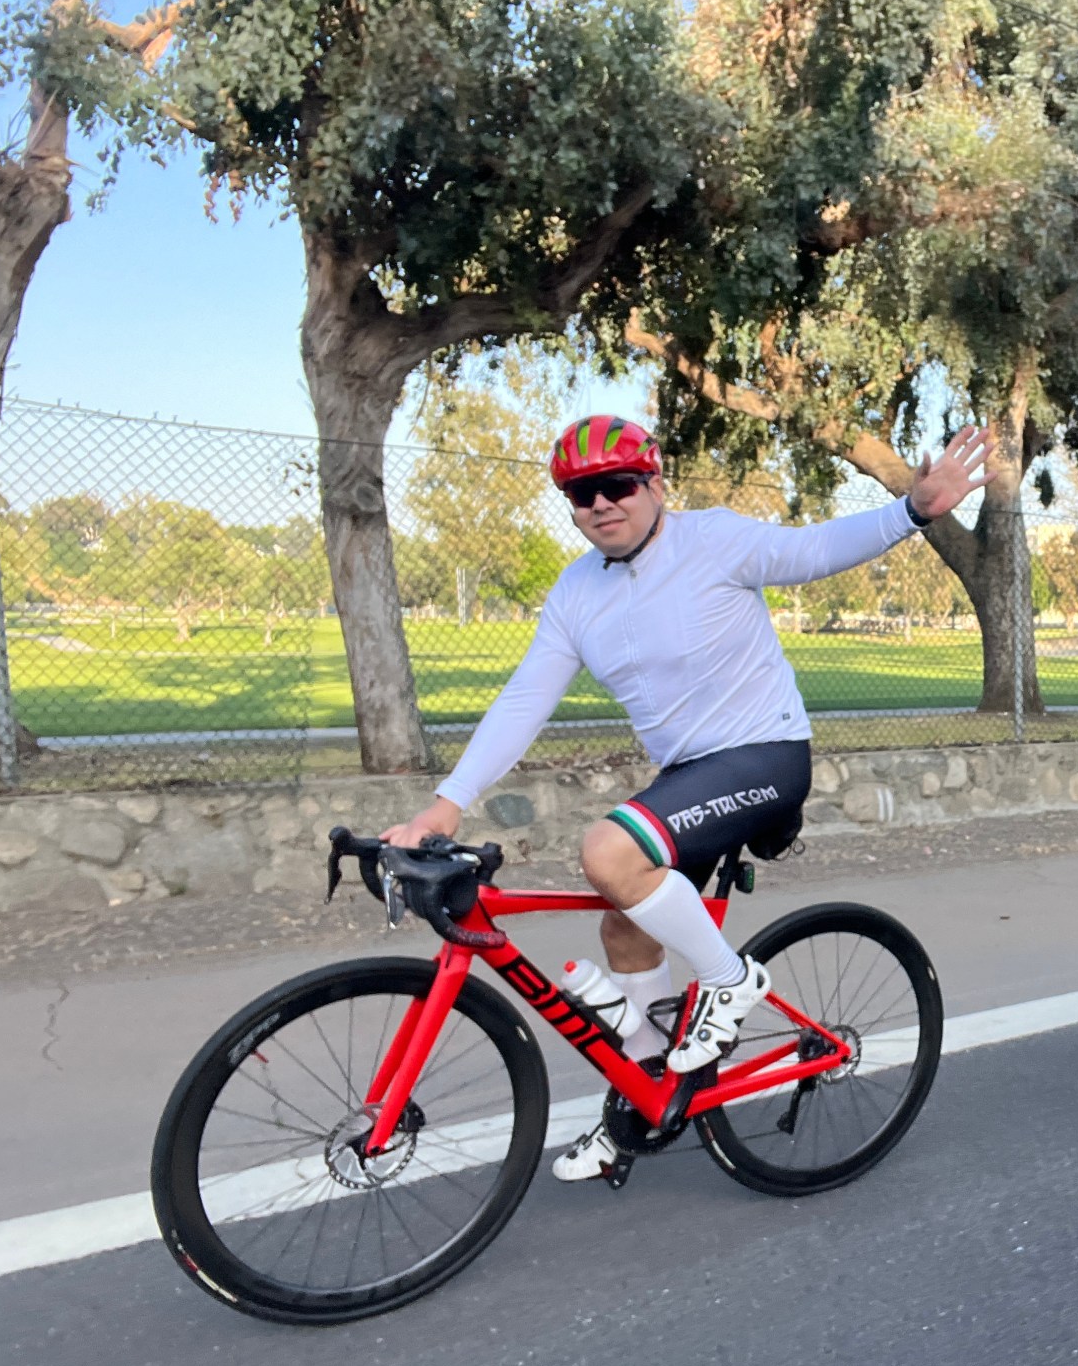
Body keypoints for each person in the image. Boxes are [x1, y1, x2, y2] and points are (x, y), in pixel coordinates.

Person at [384, 414, 989, 1180]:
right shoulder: (576, 592)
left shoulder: (713, 540)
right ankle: (649, 1097)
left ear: (655, 484)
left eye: (617, 484)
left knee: (608, 852)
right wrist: (447, 802)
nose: (601, 504)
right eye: (580, 494)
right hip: (688, 778)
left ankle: (731, 981)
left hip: (765, 755)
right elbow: (525, 699)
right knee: (623, 928)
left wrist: (912, 510)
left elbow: (814, 550)